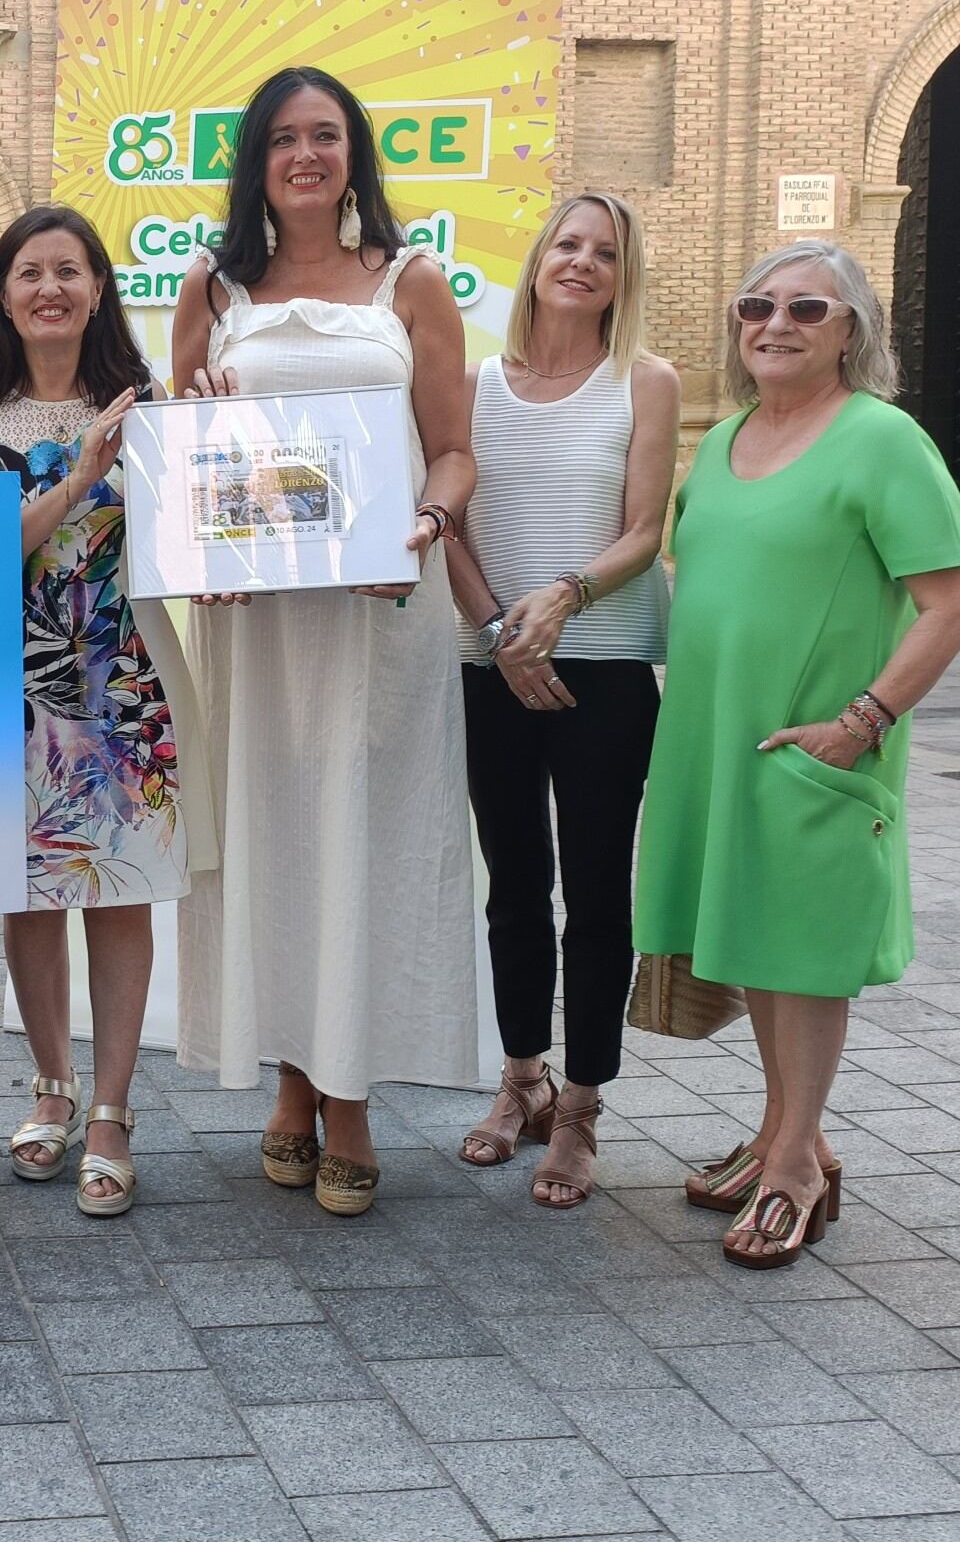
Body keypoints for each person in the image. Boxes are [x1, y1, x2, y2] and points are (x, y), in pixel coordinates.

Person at [171, 66, 477, 1216]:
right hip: (260, 624)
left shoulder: (412, 281)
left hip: (377, 617)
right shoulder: (212, 283)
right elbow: (185, 451)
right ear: (255, 161)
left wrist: (429, 523)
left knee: (368, 837)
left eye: (327, 136)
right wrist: (201, 520)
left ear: (355, 155)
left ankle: (349, 1098)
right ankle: (292, 1084)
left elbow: (452, 449)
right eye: (284, 139)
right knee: (279, 839)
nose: (306, 154)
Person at [634, 240, 960, 1268]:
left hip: (819, 740)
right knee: (757, 944)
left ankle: (794, 1175)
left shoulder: (883, 440)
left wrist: (863, 718)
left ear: (851, 329)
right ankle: (790, 1135)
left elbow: (946, 604)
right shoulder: (724, 438)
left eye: (806, 310)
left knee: (805, 955)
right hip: (717, 741)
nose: (775, 324)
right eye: (755, 307)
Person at [0, 204, 211, 1217]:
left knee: (120, 893)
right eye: (29, 273)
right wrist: (85, 477)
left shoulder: (147, 404)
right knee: (25, 894)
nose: (49, 289)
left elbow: (201, 535)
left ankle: (111, 1108)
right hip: (12, 688)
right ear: (3, 294)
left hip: (126, 682)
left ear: (99, 287)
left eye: (69, 271)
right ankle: (50, 1086)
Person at [443, 194, 679, 1206]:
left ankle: (582, 1106)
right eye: (568, 245)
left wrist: (568, 597)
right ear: (537, 260)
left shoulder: (647, 383)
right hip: (490, 663)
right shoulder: (470, 386)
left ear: (623, 279)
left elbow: (642, 530)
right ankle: (521, 1081)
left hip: (607, 666)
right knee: (512, 887)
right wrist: (504, 635)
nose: (582, 263)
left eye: (606, 253)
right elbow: (447, 523)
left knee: (594, 889)